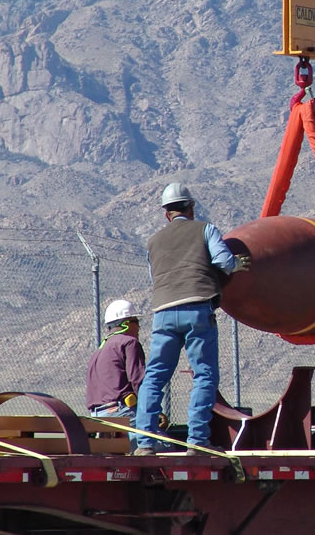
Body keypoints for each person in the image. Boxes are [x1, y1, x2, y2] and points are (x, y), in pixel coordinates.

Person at [133, 182, 250, 456]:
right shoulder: (205, 229)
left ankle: (145, 443)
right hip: (197, 309)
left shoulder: (153, 241)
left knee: (154, 377)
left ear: (166, 214)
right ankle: (196, 442)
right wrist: (237, 265)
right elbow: (223, 261)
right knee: (204, 375)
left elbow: (154, 278)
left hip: (163, 313)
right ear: (192, 207)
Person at [86, 299, 145, 452]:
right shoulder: (129, 343)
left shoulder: (99, 351)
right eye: (136, 321)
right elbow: (139, 381)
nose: (139, 327)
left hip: (98, 418)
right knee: (164, 447)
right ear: (127, 323)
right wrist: (153, 410)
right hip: (123, 414)